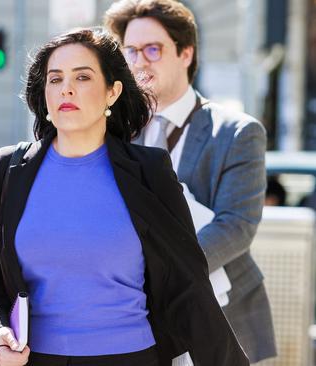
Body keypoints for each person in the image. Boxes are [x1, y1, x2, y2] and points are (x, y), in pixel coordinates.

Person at [0, 27, 248, 366]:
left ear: (112, 91)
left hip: (131, 357)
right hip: (35, 359)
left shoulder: (149, 171)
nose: (67, 89)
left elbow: (188, 285)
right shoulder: (10, 167)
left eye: (83, 77)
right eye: (55, 79)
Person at [104, 1, 276, 362]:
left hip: (225, 313)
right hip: (138, 319)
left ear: (186, 53)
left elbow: (237, 226)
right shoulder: (114, 132)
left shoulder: (236, 133)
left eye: (153, 49)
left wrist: (164, 274)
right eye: (131, 50)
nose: (140, 61)